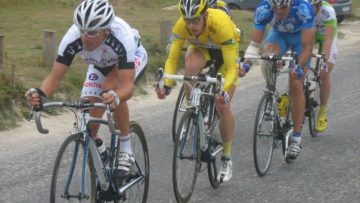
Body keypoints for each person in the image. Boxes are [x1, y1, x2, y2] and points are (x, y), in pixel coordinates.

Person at [25, 0, 147, 174]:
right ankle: (100, 150)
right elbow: (54, 78)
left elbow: (127, 86)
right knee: (88, 119)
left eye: (91, 32)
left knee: (110, 89)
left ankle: (126, 149)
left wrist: (116, 97)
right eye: (81, 30)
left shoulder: (122, 35)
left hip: (129, 60)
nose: (84, 36)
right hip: (99, 64)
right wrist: (39, 93)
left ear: (106, 30)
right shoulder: (73, 37)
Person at [156, 0, 242, 182]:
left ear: (205, 16)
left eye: (195, 21)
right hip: (203, 49)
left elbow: (232, 69)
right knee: (190, 68)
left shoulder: (221, 23)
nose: (191, 26)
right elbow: (172, 59)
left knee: (223, 106)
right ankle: (192, 110)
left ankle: (227, 158)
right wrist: (168, 84)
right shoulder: (182, 25)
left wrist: (224, 92)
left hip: (225, 56)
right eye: (187, 20)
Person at [242, 0, 315, 159]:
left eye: (283, 7)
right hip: (279, 36)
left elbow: (308, 47)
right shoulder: (264, 9)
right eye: (276, 8)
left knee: (295, 82)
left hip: (300, 40)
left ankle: (296, 137)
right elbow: (254, 45)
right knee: (268, 58)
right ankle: (272, 97)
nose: (279, 11)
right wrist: (246, 65)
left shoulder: (303, 9)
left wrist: (298, 67)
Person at [308, 0, 338, 132]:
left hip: (327, 38)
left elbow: (328, 39)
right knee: (298, 64)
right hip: (312, 35)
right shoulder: (303, 9)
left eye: (312, 7)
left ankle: (322, 112)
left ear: (318, 5)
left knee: (325, 73)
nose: (309, 9)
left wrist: (324, 60)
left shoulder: (328, 11)